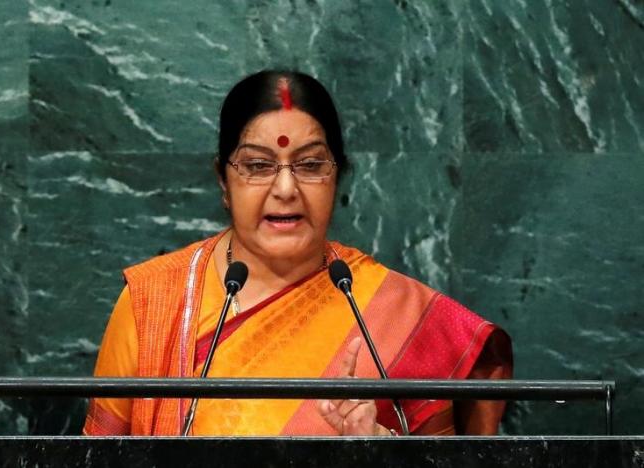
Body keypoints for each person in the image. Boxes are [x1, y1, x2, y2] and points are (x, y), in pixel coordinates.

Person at [83, 70, 513, 437]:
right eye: (257, 166)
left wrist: (384, 446)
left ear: (336, 176)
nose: (285, 190)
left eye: (309, 166)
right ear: (222, 181)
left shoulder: (395, 310)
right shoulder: (153, 301)